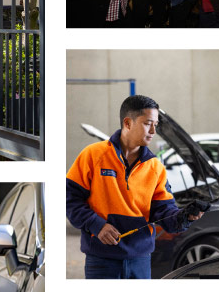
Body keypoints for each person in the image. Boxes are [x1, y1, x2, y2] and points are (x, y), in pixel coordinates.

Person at [66, 95, 204, 278]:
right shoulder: (92, 156)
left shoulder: (155, 167)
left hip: (141, 262)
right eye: (148, 123)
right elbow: (69, 199)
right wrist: (96, 225)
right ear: (128, 123)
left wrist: (184, 217)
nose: (154, 130)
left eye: (156, 124)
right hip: (101, 260)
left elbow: (164, 212)